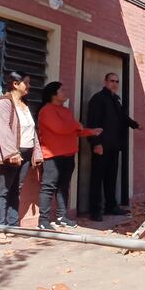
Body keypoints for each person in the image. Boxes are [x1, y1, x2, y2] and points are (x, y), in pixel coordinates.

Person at [0, 71, 43, 244]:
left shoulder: (25, 104)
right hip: (10, 154)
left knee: (15, 190)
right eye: (26, 83)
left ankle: (12, 226)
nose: (29, 86)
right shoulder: (4, 103)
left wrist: (37, 152)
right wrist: (12, 153)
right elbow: (3, 129)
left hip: (26, 154)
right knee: (2, 191)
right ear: (15, 84)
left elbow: (31, 131)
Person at [37, 81, 101, 229]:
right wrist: (77, 126)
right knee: (48, 187)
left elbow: (75, 130)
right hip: (52, 156)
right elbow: (60, 128)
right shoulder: (47, 110)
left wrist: (90, 131)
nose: (65, 92)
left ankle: (61, 216)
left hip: (68, 154)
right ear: (54, 94)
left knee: (63, 187)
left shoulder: (66, 111)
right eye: (62, 90)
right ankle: (43, 220)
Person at [86, 73, 141, 222]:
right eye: (112, 81)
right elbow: (92, 122)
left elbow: (123, 117)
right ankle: (95, 211)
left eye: (117, 81)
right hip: (101, 146)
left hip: (114, 145)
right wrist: (96, 143)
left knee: (111, 178)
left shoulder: (116, 100)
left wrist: (135, 125)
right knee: (97, 179)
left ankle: (111, 206)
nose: (114, 84)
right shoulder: (98, 99)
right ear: (105, 82)